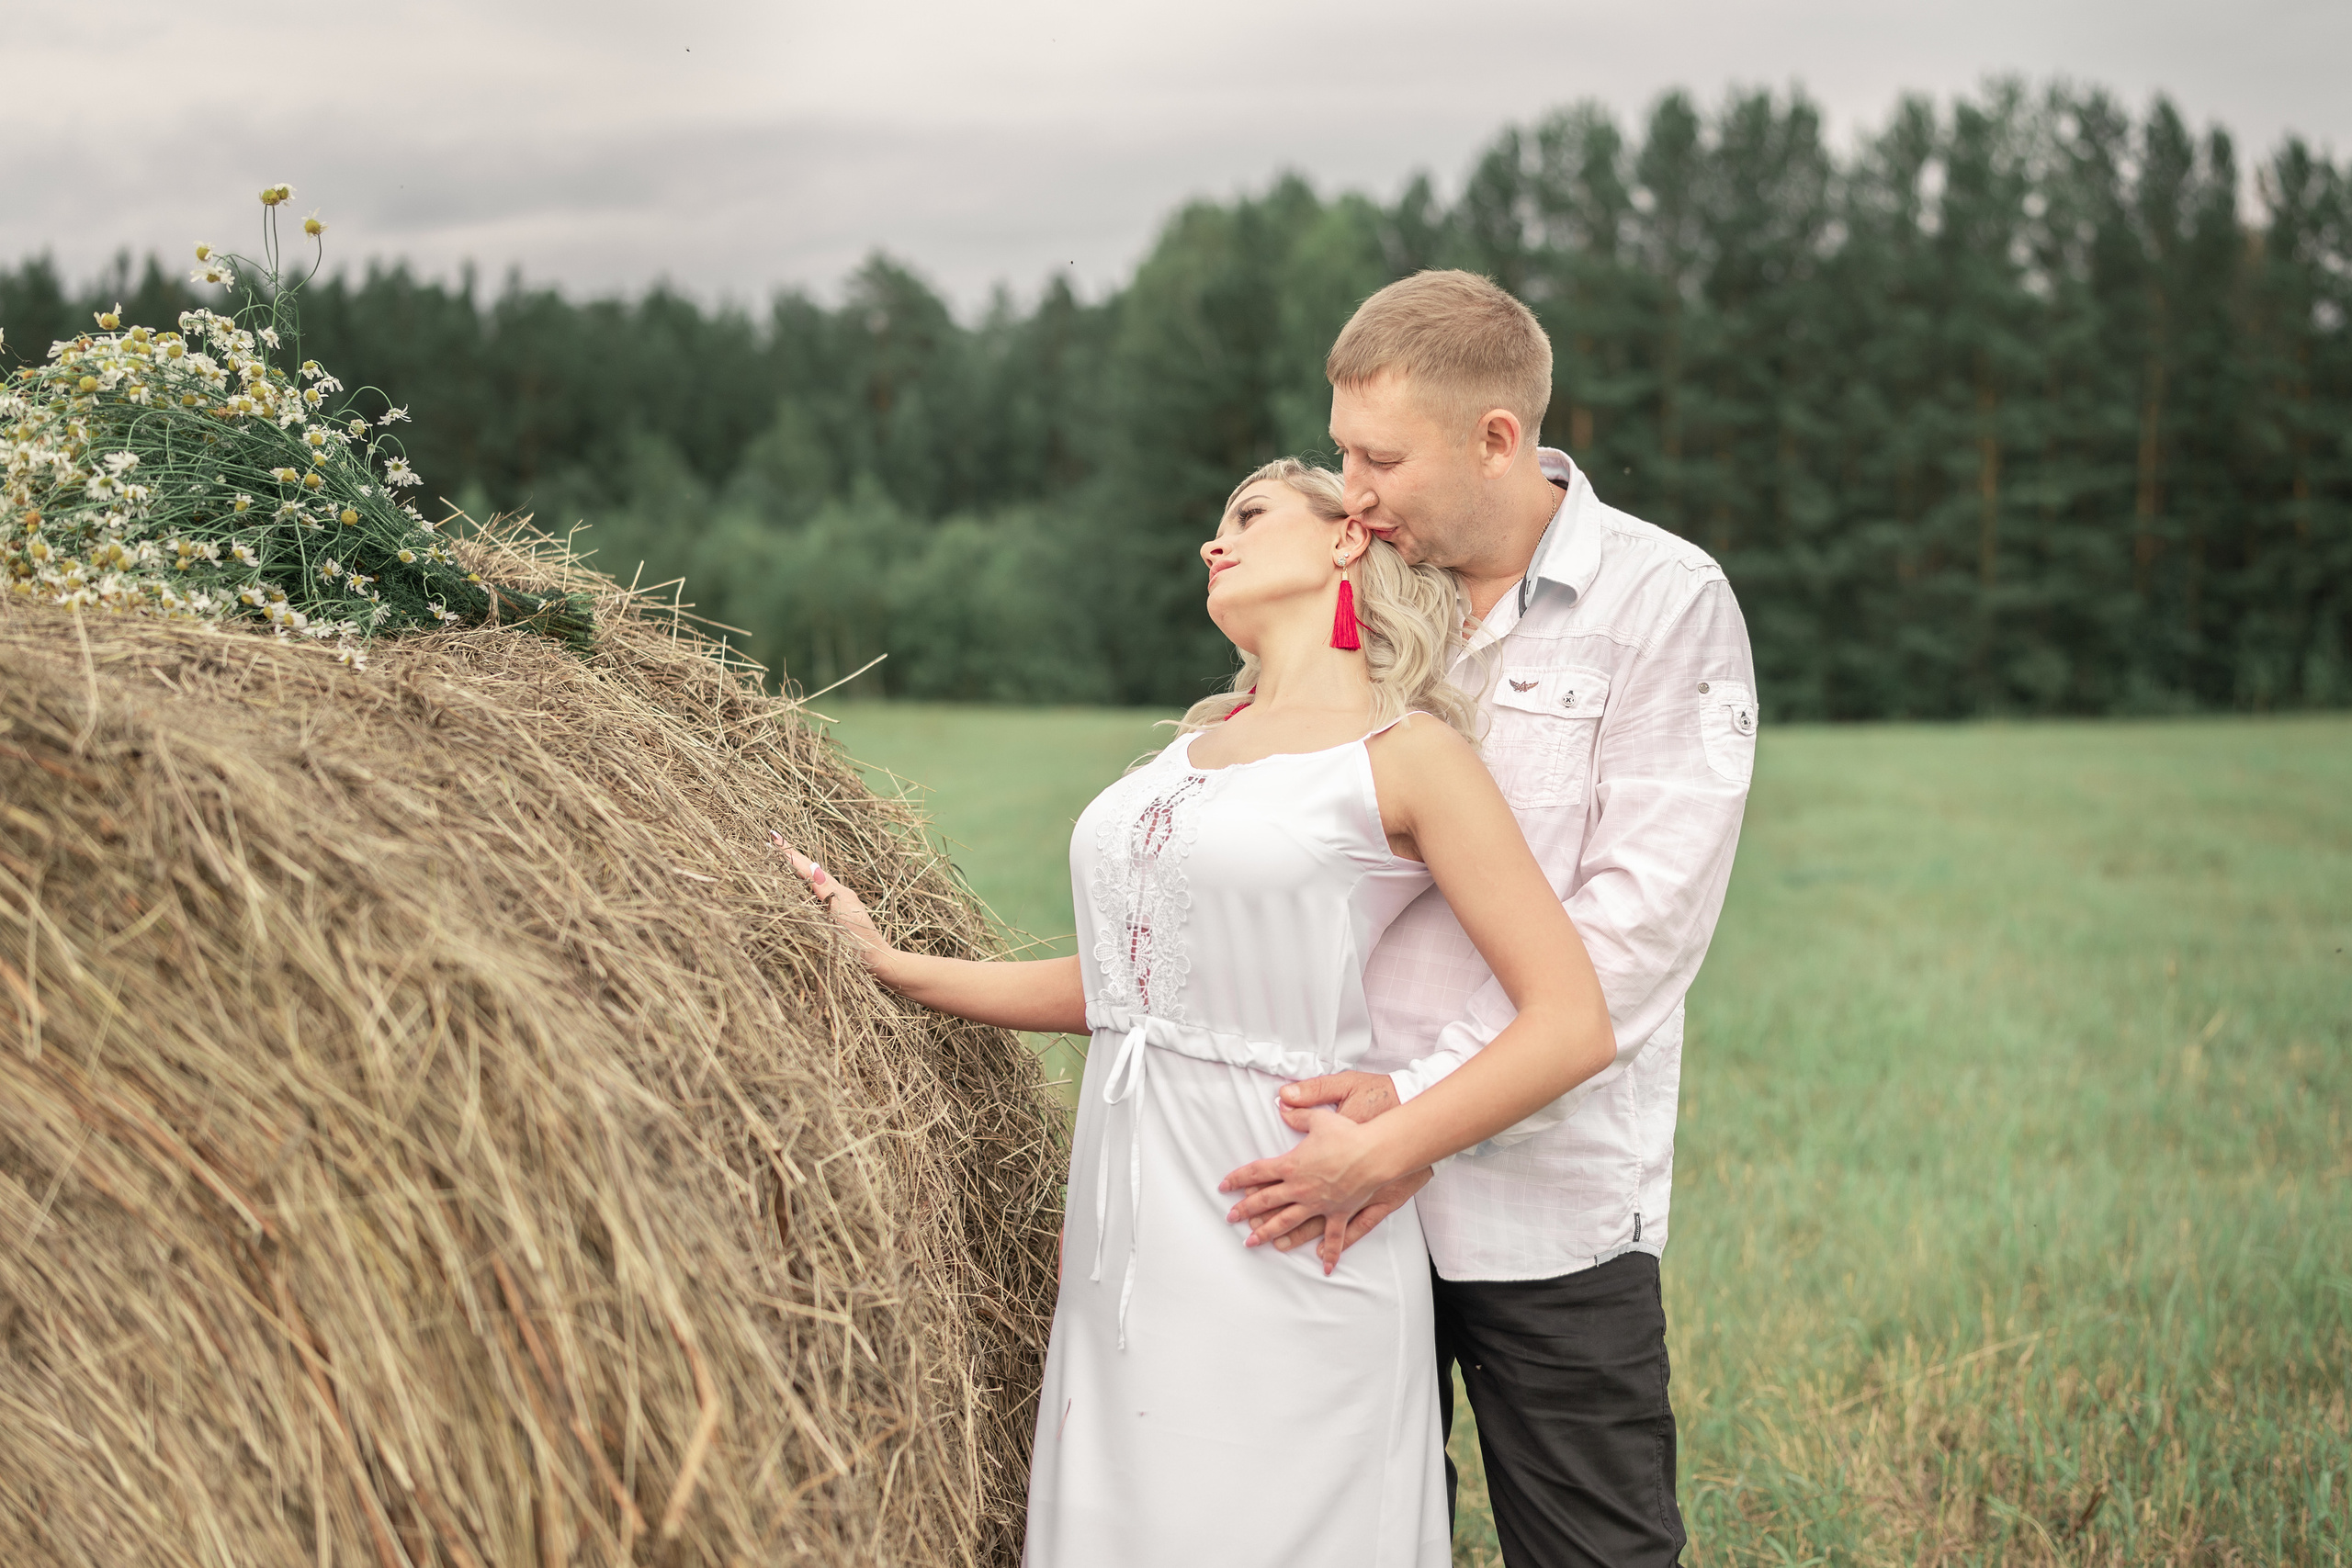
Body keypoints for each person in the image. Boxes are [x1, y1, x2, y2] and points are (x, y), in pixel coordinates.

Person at [776, 456, 1620, 1567]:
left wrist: (1380, 1154)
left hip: (1282, 1210)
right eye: (1216, 523)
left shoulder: (1407, 755)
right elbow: (1128, 991)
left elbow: (1570, 1022)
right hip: (1130, 1225)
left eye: (1249, 514)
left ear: (1346, 539)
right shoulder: (1188, 748)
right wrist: (894, 965)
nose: (1213, 543)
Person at [1219, 270, 1757, 1568]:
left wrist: (1409, 1116)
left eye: (1380, 457)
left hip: (1543, 1204)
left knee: (1595, 1549)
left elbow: (1636, 937)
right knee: (1345, 1535)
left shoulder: (1665, 601)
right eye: (1343, 450)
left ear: (1498, 439)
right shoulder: (1366, 590)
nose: (1352, 489)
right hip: (1330, 1182)